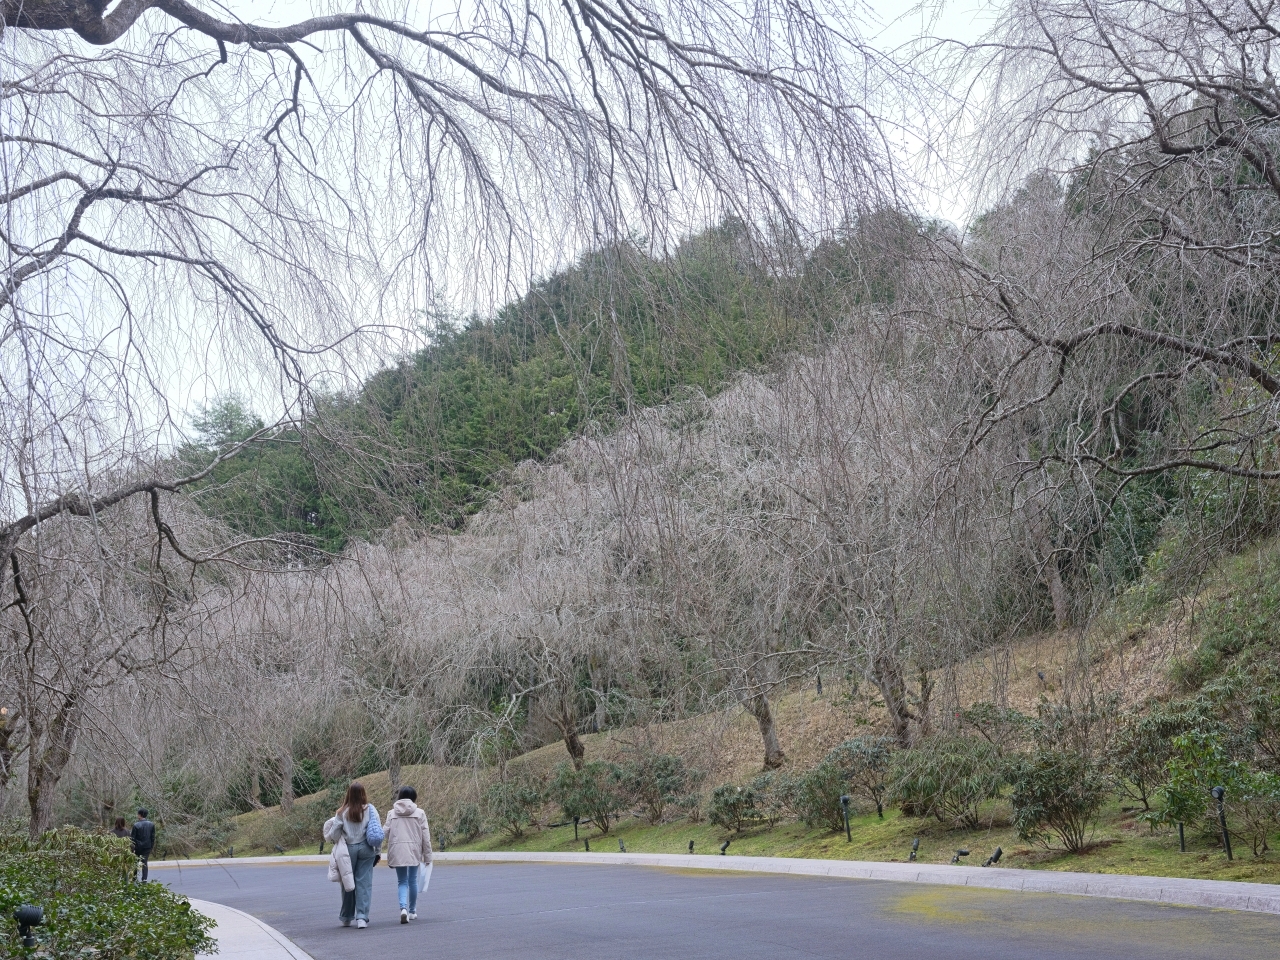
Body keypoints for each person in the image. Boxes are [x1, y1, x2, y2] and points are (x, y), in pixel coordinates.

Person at [323, 782, 383, 928]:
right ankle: (362, 917)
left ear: (348, 794)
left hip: (347, 850)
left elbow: (335, 835)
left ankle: (346, 917)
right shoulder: (370, 810)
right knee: (364, 883)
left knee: (347, 882)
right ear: (363, 794)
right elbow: (377, 831)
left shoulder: (341, 812)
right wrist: (378, 851)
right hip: (366, 848)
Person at [384, 785, 433, 924]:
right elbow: (426, 837)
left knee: (402, 881)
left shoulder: (391, 813)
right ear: (413, 797)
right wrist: (428, 856)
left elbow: (385, 833)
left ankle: (403, 909)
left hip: (397, 850)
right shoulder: (420, 813)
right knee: (412, 881)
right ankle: (412, 911)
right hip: (414, 850)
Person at [130, 808, 156, 881]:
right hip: (147, 846)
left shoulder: (136, 825)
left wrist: (132, 848)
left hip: (138, 847)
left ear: (140, 815)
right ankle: (144, 879)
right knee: (144, 863)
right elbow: (152, 837)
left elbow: (132, 838)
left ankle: (134, 878)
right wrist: (151, 846)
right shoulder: (151, 824)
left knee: (136, 862)